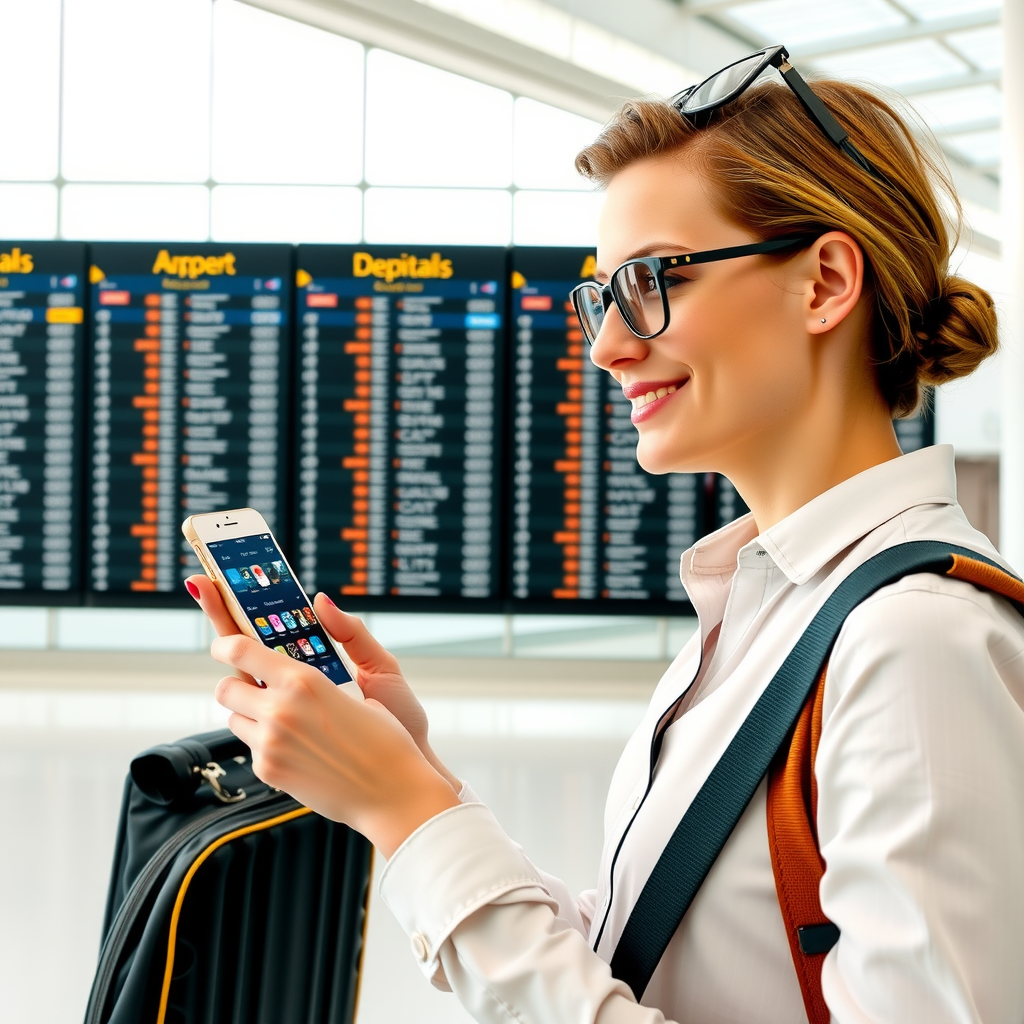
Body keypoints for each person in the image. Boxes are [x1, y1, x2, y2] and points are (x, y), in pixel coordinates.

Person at [186, 47, 1024, 1024]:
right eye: (602, 297)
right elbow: (654, 966)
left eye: (650, 281)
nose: (607, 346)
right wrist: (411, 778)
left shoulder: (912, 643)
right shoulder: (765, 617)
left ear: (823, 283)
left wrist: (407, 815)